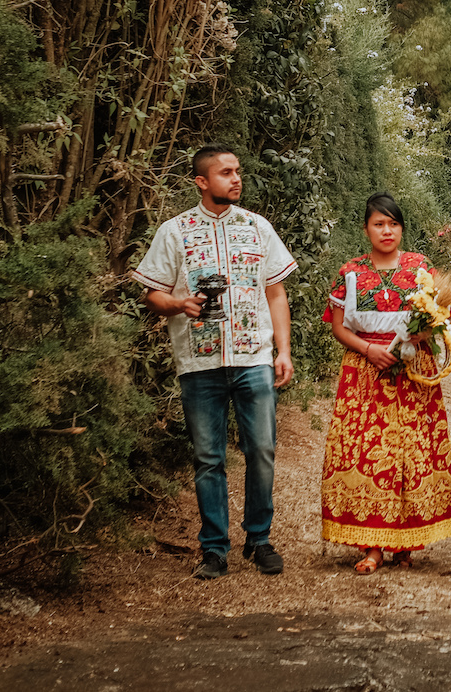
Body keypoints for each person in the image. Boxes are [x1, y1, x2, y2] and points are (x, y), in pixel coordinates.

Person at [133, 146, 296, 580]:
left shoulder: (258, 228)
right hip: (198, 363)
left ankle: (258, 540)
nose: (236, 179)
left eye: (238, 171)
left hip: (253, 358)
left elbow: (276, 293)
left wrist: (284, 350)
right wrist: (177, 303)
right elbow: (152, 294)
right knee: (208, 458)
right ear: (202, 182)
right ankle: (214, 549)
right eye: (226, 173)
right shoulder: (175, 232)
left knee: (261, 450)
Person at [320, 193, 451, 574]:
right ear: (366, 228)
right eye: (379, 224)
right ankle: (372, 546)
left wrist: (418, 338)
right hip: (364, 373)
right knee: (366, 452)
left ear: (402, 228)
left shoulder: (420, 267)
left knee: (412, 452)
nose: (387, 231)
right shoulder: (350, 271)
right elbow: (337, 326)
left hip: (413, 371)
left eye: (393, 224)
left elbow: (437, 315)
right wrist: (369, 349)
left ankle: (407, 542)